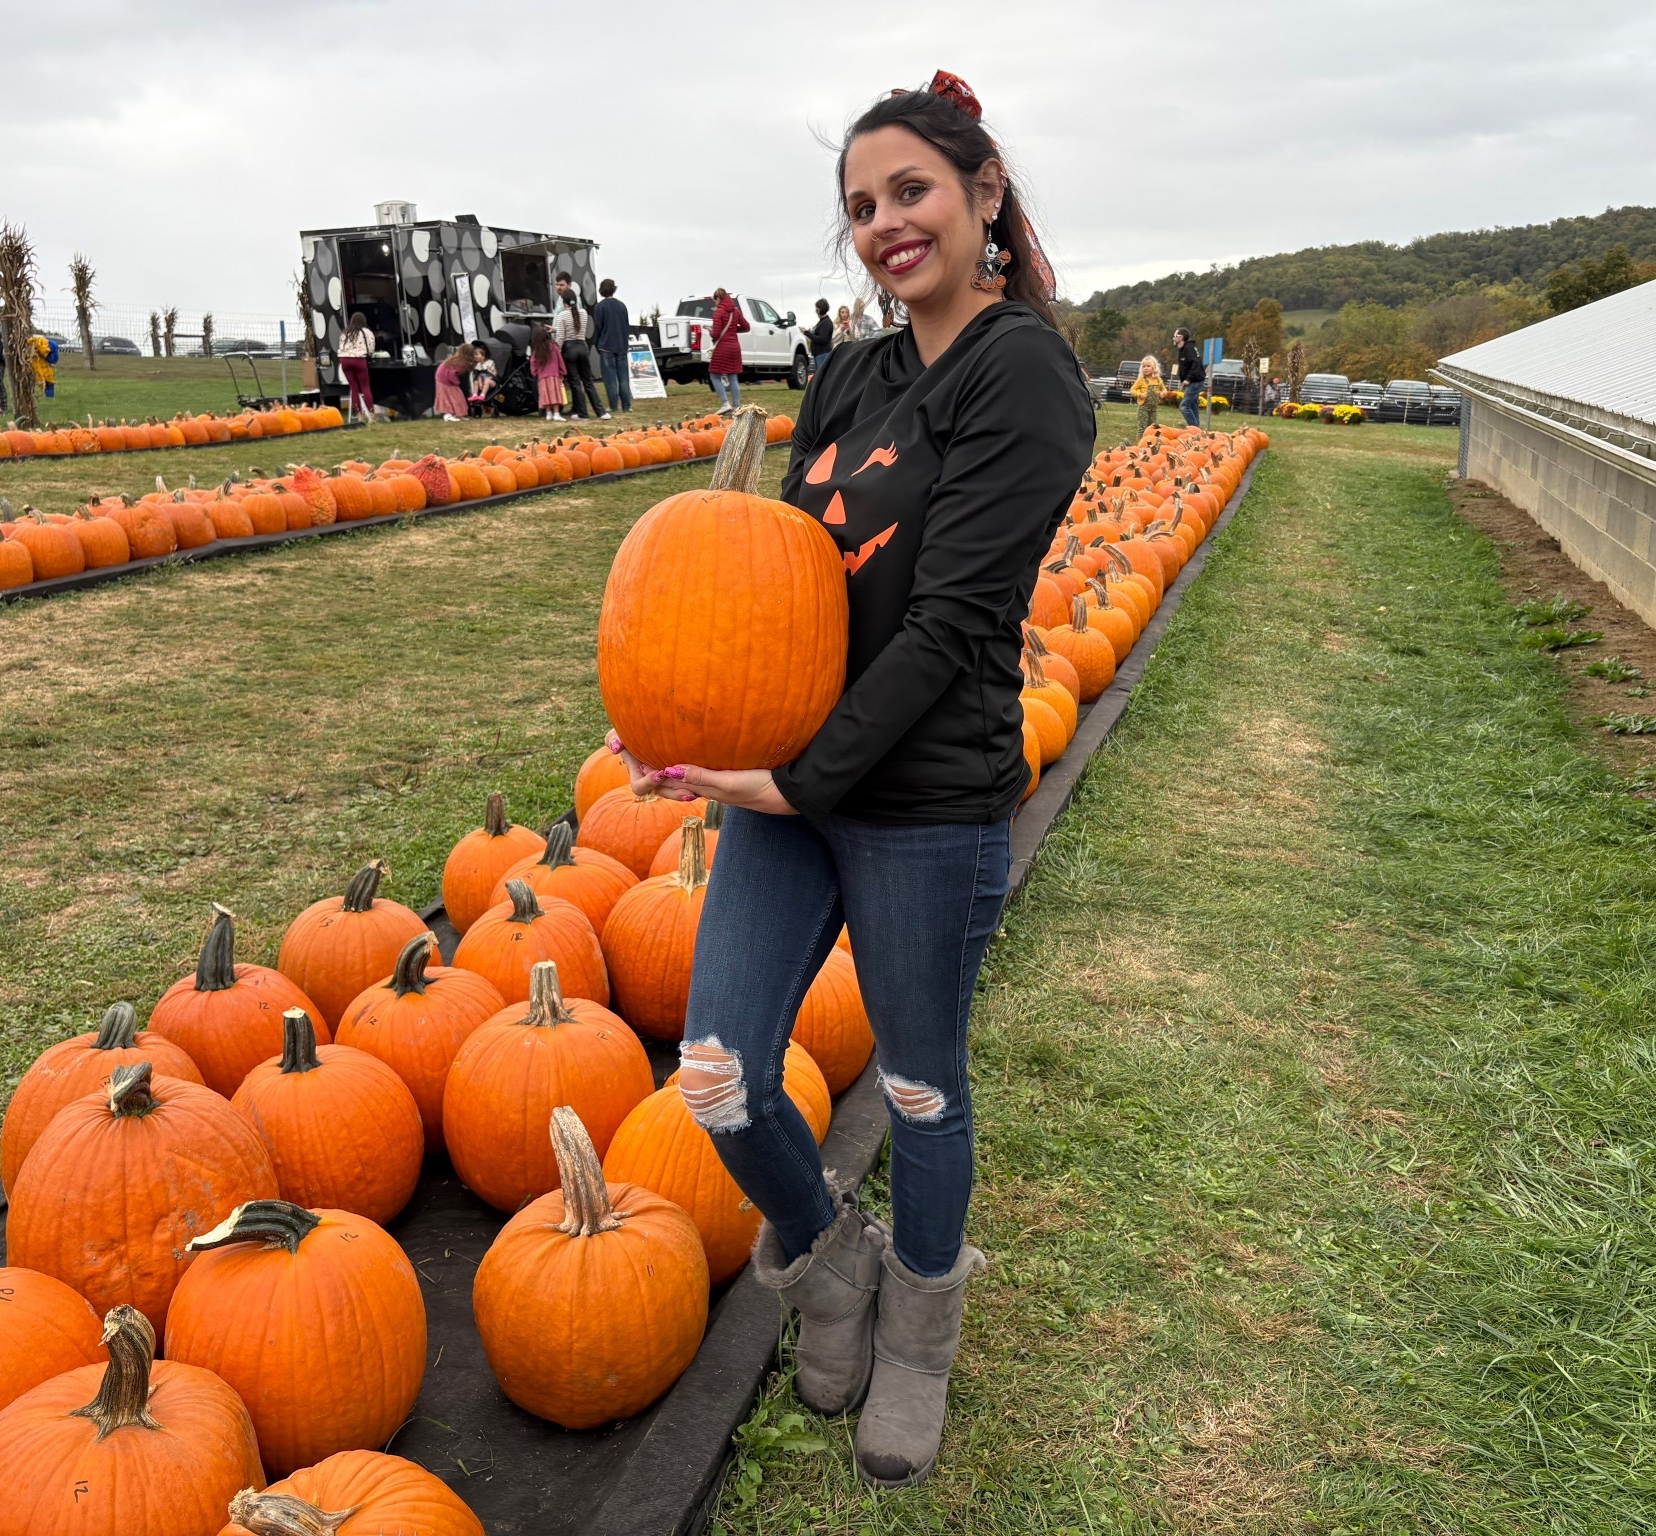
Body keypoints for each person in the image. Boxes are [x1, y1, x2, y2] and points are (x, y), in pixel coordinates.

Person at [607, 69, 1091, 1490]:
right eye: (861, 206)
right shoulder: (856, 370)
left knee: (925, 1086)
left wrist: (798, 777)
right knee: (717, 1073)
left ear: (984, 193)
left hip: (922, 799)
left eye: (911, 192)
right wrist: (699, 706)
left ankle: (923, 1327)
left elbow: (952, 626)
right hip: (794, 784)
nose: (884, 224)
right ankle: (826, 1269)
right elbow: (787, 580)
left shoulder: (1025, 376)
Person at [553, 274, 604, 419]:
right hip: (582, 346)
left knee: (575, 382)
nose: (558, 287)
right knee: (588, 381)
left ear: (565, 302)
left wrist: (556, 349)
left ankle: (582, 413)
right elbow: (577, 326)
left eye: (560, 285)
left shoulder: (563, 315)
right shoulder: (584, 313)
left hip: (569, 348)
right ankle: (601, 412)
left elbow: (561, 335)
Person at [592, 278, 632, 415]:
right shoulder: (622, 306)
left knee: (610, 379)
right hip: (621, 345)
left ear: (601, 290)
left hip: (606, 346)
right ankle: (627, 406)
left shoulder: (600, 307)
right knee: (623, 378)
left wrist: (596, 344)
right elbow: (626, 326)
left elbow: (598, 327)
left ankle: (613, 406)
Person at [708, 287, 747, 414]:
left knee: (714, 375)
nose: (715, 303)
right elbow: (746, 327)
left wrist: (711, 332)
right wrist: (733, 330)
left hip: (722, 348)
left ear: (718, 299)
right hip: (735, 347)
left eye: (715, 301)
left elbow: (716, 334)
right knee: (733, 376)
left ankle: (725, 403)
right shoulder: (735, 311)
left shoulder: (719, 312)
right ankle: (736, 406)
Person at [336, 311, 376, 422]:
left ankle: (359, 415)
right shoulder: (366, 332)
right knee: (365, 387)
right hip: (358, 360)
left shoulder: (345, 333)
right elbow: (371, 349)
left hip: (344, 360)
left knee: (354, 388)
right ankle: (371, 415)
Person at [530, 321, 567, 422]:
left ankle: (548, 413)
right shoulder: (553, 345)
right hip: (554, 374)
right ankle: (556, 413)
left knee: (545, 394)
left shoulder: (537, 349)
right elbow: (559, 359)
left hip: (542, 376)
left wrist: (535, 372)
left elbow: (533, 361)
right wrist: (562, 371)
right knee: (555, 394)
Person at [1173, 327, 1204, 429]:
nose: (1173, 338)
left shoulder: (1189, 348)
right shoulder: (1184, 349)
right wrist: (1184, 381)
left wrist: (1188, 379)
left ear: (1180, 337)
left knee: (1184, 406)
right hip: (1192, 382)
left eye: (1175, 336)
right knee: (1192, 406)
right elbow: (1187, 366)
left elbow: (1196, 363)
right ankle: (1198, 430)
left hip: (1195, 381)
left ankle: (1194, 429)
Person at [433, 343, 474, 418]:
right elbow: (451, 374)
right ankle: (449, 413)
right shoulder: (458, 361)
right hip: (444, 379)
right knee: (454, 396)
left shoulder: (459, 360)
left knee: (455, 396)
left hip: (444, 378)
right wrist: (456, 382)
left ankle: (456, 414)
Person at [1129, 353, 1165, 433]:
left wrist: (1163, 393)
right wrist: (1139, 394)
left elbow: (1164, 389)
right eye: (1144, 366)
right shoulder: (1141, 380)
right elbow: (1132, 390)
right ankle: (1140, 443)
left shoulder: (1158, 380)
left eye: (1148, 366)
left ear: (1154, 368)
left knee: (1152, 428)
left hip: (1154, 409)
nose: (1145, 368)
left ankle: (1149, 442)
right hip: (1143, 409)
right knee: (1142, 428)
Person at [807, 296, 835, 381]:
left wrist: (808, 334)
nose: (815, 310)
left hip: (822, 354)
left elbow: (823, 339)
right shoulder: (822, 322)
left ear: (820, 310)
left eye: (817, 309)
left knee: (821, 378)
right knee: (819, 377)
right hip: (818, 354)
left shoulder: (826, 323)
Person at [468, 346, 498, 416]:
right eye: (474, 356)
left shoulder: (490, 362)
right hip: (483, 380)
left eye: (477, 355)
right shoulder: (478, 365)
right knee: (475, 381)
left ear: (483, 356)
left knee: (487, 380)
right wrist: (480, 383)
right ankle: (475, 395)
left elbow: (494, 372)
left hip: (491, 381)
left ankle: (482, 395)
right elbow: (479, 376)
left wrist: (492, 377)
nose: (475, 357)